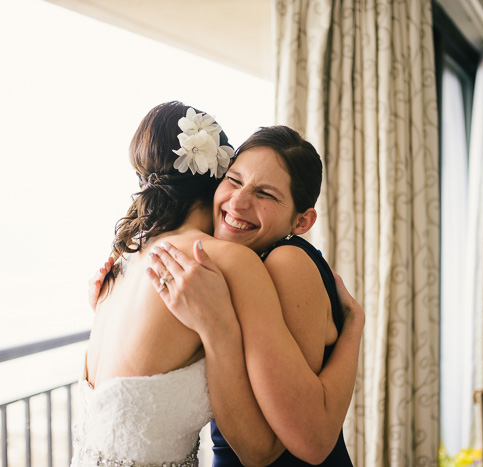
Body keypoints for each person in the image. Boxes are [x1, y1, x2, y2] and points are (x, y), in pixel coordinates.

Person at [77, 102, 363, 466]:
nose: (239, 203)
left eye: (266, 194)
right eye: (234, 180)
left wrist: (355, 324)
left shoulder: (281, 261)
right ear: (217, 176)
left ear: (302, 221)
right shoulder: (198, 269)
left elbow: (306, 440)